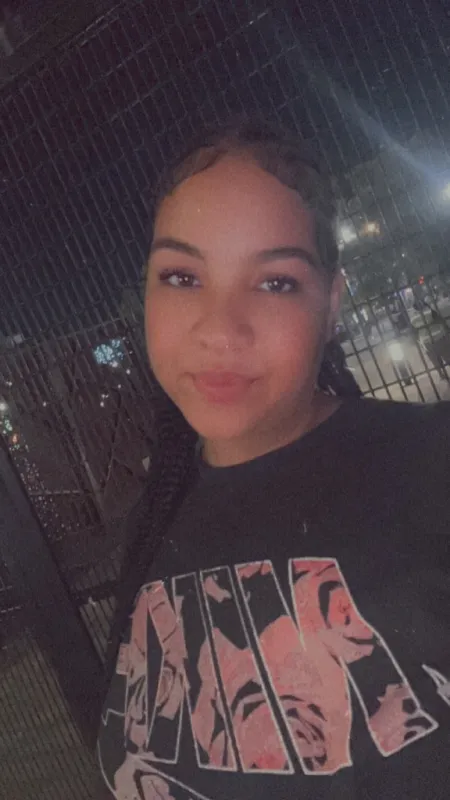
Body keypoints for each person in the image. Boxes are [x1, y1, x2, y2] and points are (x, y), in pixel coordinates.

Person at [97, 119, 450, 800]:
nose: (220, 329)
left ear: (331, 305)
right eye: (182, 276)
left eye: (275, 283)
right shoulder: (153, 519)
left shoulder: (432, 465)